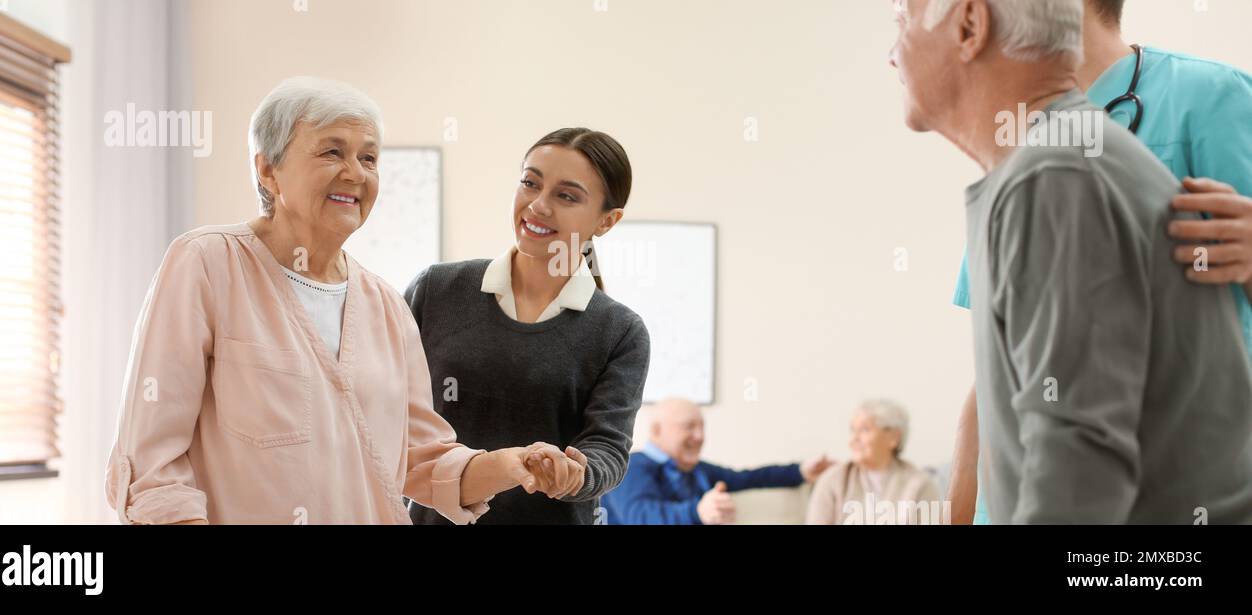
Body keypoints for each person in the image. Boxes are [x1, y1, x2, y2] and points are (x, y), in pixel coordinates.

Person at [105, 77, 559, 525]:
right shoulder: (206, 263)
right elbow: (150, 462)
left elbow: (419, 460)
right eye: (331, 152)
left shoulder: (386, 305)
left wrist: (509, 465)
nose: (356, 173)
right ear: (268, 169)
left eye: (369, 158)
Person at [889, 0, 1252, 522]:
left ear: (972, 22)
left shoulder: (1201, 104)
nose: (891, 54)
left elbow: (1081, 465)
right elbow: (999, 374)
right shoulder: (1024, 159)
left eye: (900, 19)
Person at [405, 128, 652, 524]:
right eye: (530, 183)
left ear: (607, 221)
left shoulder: (620, 331)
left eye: (566, 196)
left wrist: (575, 472)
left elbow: (608, 446)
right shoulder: (437, 290)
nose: (538, 206)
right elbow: (389, 411)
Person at [600, 398, 832, 525]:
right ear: (657, 431)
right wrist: (698, 511)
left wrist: (800, 472)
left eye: (702, 427)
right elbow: (640, 517)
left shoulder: (699, 470)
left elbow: (749, 478)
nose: (700, 436)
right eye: (689, 427)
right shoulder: (632, 467)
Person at [806, 400, 941, 525]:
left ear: (894, 437)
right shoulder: (832, 480)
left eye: (865, 430)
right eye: (853, 430)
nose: (854, 439)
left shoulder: (920, 484)